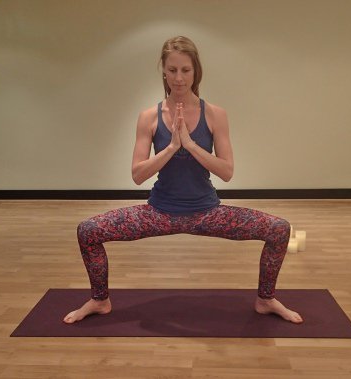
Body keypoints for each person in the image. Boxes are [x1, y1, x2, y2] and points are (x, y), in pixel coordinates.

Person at [63, 36, 303, 324]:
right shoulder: (148, 117)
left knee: (279, 230)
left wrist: (190, 145)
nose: (179, 78)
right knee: (88, 231)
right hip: (159, 212)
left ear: (195, 71)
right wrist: (171, 147)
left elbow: (226, 171)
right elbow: (138, 175)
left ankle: (265, 299)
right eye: (172, 70)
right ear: (163, 71)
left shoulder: (215, 114)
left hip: (208, 212)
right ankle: (99, 301)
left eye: (185, 70)